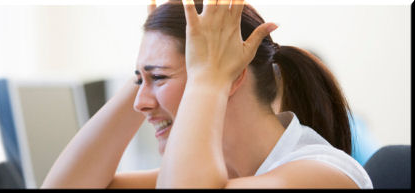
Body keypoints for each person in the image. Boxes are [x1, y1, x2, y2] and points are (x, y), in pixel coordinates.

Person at [42, 0, 372, 188]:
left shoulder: (322, 175)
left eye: (159, 78)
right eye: (138, 82)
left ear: (232, 77)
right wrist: (148, 68)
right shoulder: (220, 174)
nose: (140, 103)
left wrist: (208, 79)